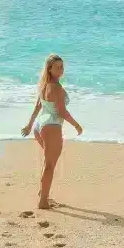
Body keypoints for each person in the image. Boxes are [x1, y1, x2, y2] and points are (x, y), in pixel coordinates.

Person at [20, 54, 84, 209]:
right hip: (51, 127)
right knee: (50, 165)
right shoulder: (56, 88)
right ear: (49, 69)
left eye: (62, 66)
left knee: (48, 163)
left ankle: (43, 194)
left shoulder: (44, 84)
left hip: (39, 126)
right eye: (57, 67)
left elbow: (38, 107)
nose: (61, 70)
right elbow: (62, 112)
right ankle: (43, 201)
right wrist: (76, 125)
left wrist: (29, 126)